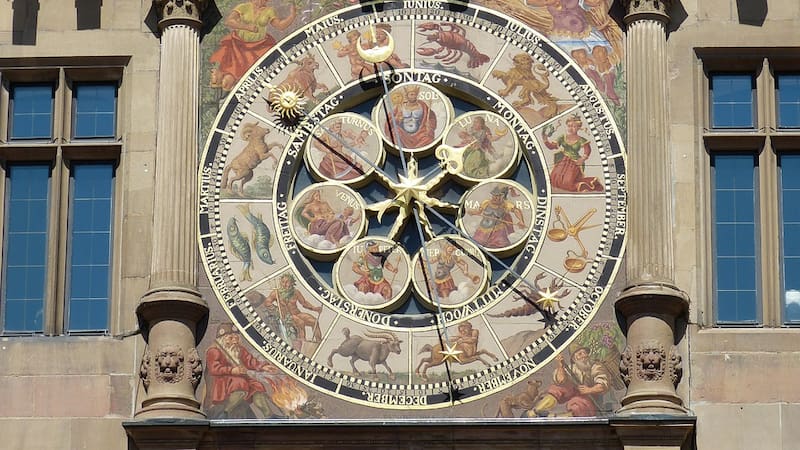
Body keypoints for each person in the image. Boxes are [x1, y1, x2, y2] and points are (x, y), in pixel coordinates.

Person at [209, 0, 297, 91]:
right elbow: (229, 21)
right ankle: (223, 80)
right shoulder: (243, 7)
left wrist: (292, 16)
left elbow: (280, 26)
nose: (261, 1)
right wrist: (247, 27)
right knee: (229, 79)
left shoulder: (269, 11)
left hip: (259, 48)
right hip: (238, 47)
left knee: (254, 75)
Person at [205, 323, 281, 419]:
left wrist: (263, 367)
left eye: (236, 338)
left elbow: (250, 361)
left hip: (240, 379)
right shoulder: (214, 351)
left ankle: (269, 415)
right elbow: (214, 369)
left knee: (257, 386)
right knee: (240, 383)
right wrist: (232, 370)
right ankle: (225, 413)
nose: (235, 341)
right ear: (222, 339)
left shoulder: (240, 350)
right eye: (231, 338)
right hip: (223, 382)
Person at [532, 346, 610, 417]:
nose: (584, 355)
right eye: (580, 354)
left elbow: (603, 385)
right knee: (557, 389)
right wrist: (561, 366)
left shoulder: (596, 366)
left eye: (585, 353)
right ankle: (536, 410)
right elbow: (560, 381)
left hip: (592, 397)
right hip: (577, 392)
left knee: (579, 404)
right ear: (574, 359)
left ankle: (556, 417)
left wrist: (589, 390)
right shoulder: (572, 368)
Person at [542, 114, 603, 192]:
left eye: (574, 126)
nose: (571, 128)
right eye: (569, 126)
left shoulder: (581, 140)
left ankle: (589, 184)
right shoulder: (562, 137)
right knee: (554, 180)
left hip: (575, 162)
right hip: (563, 160)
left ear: (578, 128)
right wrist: (545, 140)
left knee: (567, 182)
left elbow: (588, 150)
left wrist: (582, 159)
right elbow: (552, 146)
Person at [259, 273, 323, 346]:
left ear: (292, 283)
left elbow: (304, 303)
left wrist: (315, 309)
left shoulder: (296, 292)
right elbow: (267, 302)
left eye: (287, 282)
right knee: (300, 322)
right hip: (286, 316)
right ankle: (302, 343)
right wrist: (276, 310)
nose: (284, 284)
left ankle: (319, 342)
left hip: (297, 313)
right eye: (283, 282)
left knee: (314, 321)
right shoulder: (276, 293)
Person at [386, 84, 437, 150]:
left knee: (428, 139)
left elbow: (431, 118)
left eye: (414, 94)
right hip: (403, 134)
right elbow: (389, 121)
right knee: (395, 132)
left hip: (420, 135)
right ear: (407, 96)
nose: (413, 96)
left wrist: (429, 126)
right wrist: (397, 119)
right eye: (411, 94)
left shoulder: (423, 106)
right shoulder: (400, 107)